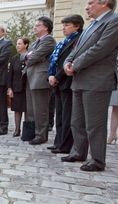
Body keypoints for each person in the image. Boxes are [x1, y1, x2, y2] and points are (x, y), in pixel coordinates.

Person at [63, 0, 118, 171]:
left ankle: (97, 160)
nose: (87, 6)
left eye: (91, 3)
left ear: (104, 2)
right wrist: (68, 62)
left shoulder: (116, 20)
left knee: (95, 124)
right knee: (77, 121)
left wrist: (75, 65)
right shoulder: (91, 25)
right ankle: (78, 152)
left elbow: (101, 48)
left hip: (98, 80)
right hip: (79, 79)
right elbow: (77, 49)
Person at [47, 15, 84, 154]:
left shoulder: (78, 39)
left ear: (77, 26)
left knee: (67, 115)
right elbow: (56, 60)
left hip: (67, 81)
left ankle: (65, 145)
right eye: (63, 25)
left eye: (67, 25)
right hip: (58, 82)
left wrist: (57, 76)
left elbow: (70, 60)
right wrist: (51, 75)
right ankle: (58, 142)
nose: (63, 28)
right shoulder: (65, 41)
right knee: (60, 115)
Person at [25, 16, 56, 144]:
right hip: (31, 77)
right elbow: (26, 57)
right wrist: (28, 57)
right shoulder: (34, 42)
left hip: (40, 78)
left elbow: (33, 57)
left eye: (38, 25)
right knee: (32, 109)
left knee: (41, 109)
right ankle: (33, 132)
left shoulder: (48, 40)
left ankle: (41, 135)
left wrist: (28, 57)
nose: (35, 27)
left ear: (46, 27)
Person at [7, 37, 29, 137]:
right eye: (17, 44)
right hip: (16, 88)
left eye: (20, 44)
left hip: (28, 87)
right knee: (17, 109)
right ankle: (17, 129)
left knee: (28, 110)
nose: (17, 46)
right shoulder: (14, 58)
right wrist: (9, 88)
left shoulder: (30, 56)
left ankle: (27, 130)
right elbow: (10, 74)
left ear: (26, 45)